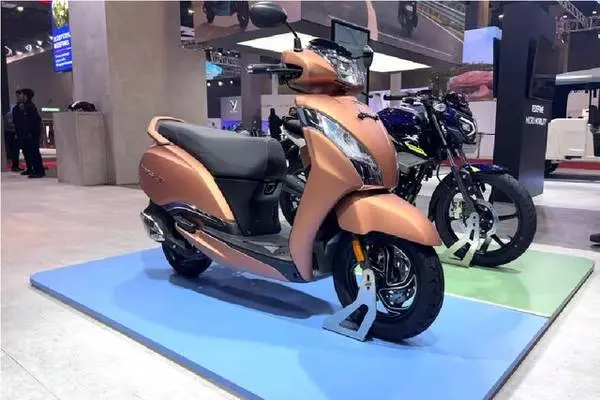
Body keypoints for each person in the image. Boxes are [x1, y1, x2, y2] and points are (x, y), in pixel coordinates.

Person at [13, 88, 45, 178]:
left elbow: (34, 121)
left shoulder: (30, 107)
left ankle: (38, 171)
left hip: (31, 134)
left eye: (21, 95)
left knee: (34, 152)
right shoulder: (19, 107)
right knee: (27, 152)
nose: (19, 97)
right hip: (23, 134)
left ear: (26, 96)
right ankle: (31, 168)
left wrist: (30, 132)